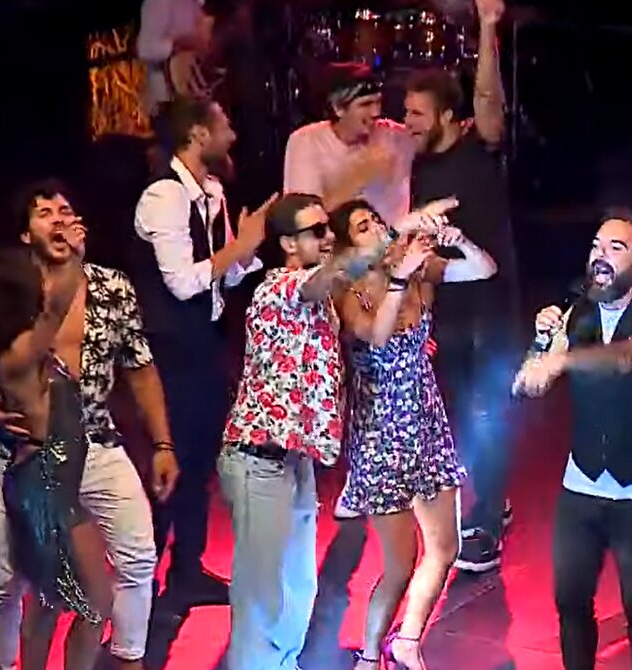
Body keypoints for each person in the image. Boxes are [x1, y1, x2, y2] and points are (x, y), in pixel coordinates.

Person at [0, 181, 183, 670]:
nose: (60, 219)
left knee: (103, 573)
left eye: (66, 209)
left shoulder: (109, 289)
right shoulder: (16, 314)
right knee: (26, 582)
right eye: (45, 213)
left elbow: (140, 367)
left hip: (91, 447)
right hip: (37, 466)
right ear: (23, 234)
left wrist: (162, 442)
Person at [217, 193, 393, 670]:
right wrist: (390, 233)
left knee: (298, 581)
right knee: (261, 588)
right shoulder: (279, 287)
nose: (327, 237)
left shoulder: (318, 297)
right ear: (288, 244)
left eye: (326, 228)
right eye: (316, 231)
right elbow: (328, 277)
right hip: (258, 459)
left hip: (294, 460)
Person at [513, 209, 632, 670]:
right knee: (570, 597)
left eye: (616, 248)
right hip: (582, 480)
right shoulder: (574, 315)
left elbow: (627, 359)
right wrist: (540, 346)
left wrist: (563, 359)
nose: (601, 257)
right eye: (596, 246)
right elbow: (526, 387)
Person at [335, 199, 494, 670]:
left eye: (378, 221)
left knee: (445, 547)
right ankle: (368, 662)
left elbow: (483, 269)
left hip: (426, 423)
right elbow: (377, 335)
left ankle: (407, 641)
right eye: (363, 227)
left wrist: (456, 240)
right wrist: (399, 278)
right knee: (399, 565)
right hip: (381, 435)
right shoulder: (349, 290)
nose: (378, 231)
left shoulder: (417, 272)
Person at [0, 245, 113, 670]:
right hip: (44, 485)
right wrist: (75, 253)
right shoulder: (21, 352)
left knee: (50, 597)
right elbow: (61, 302)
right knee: (96, 601)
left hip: (49, 480)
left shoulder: (17, 350)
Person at [133, 96, 273, 609]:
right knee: (171, 464)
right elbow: (182, 282)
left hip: (206, 342)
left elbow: (224, 275)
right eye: (224, 121)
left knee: (199, 464)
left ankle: (186, 571)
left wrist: (246, 250)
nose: (231, 130)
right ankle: (141, 581)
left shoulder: (212, 191)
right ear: (197, 134)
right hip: (172, 350)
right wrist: (238, 249)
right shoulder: (164, 196)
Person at [404, 0, 519, 575]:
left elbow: (489, 104)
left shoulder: (478, 146)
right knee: (457, 413)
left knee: (487, 412)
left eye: (417, 113)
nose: (408, 122)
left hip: (488, 306)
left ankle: (488, 519)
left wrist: (488, 26)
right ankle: (487, 501)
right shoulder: (421, 167)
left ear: (449, 115)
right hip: (447, 305)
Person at [283, 62, 414, 224]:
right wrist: (358, 178)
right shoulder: (307, 142)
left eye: (378, 102)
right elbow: (300, 222)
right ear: (338, 108)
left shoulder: (394, 136)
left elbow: (436, 133)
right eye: (365, 104)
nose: (376, 112)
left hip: (396, 238)